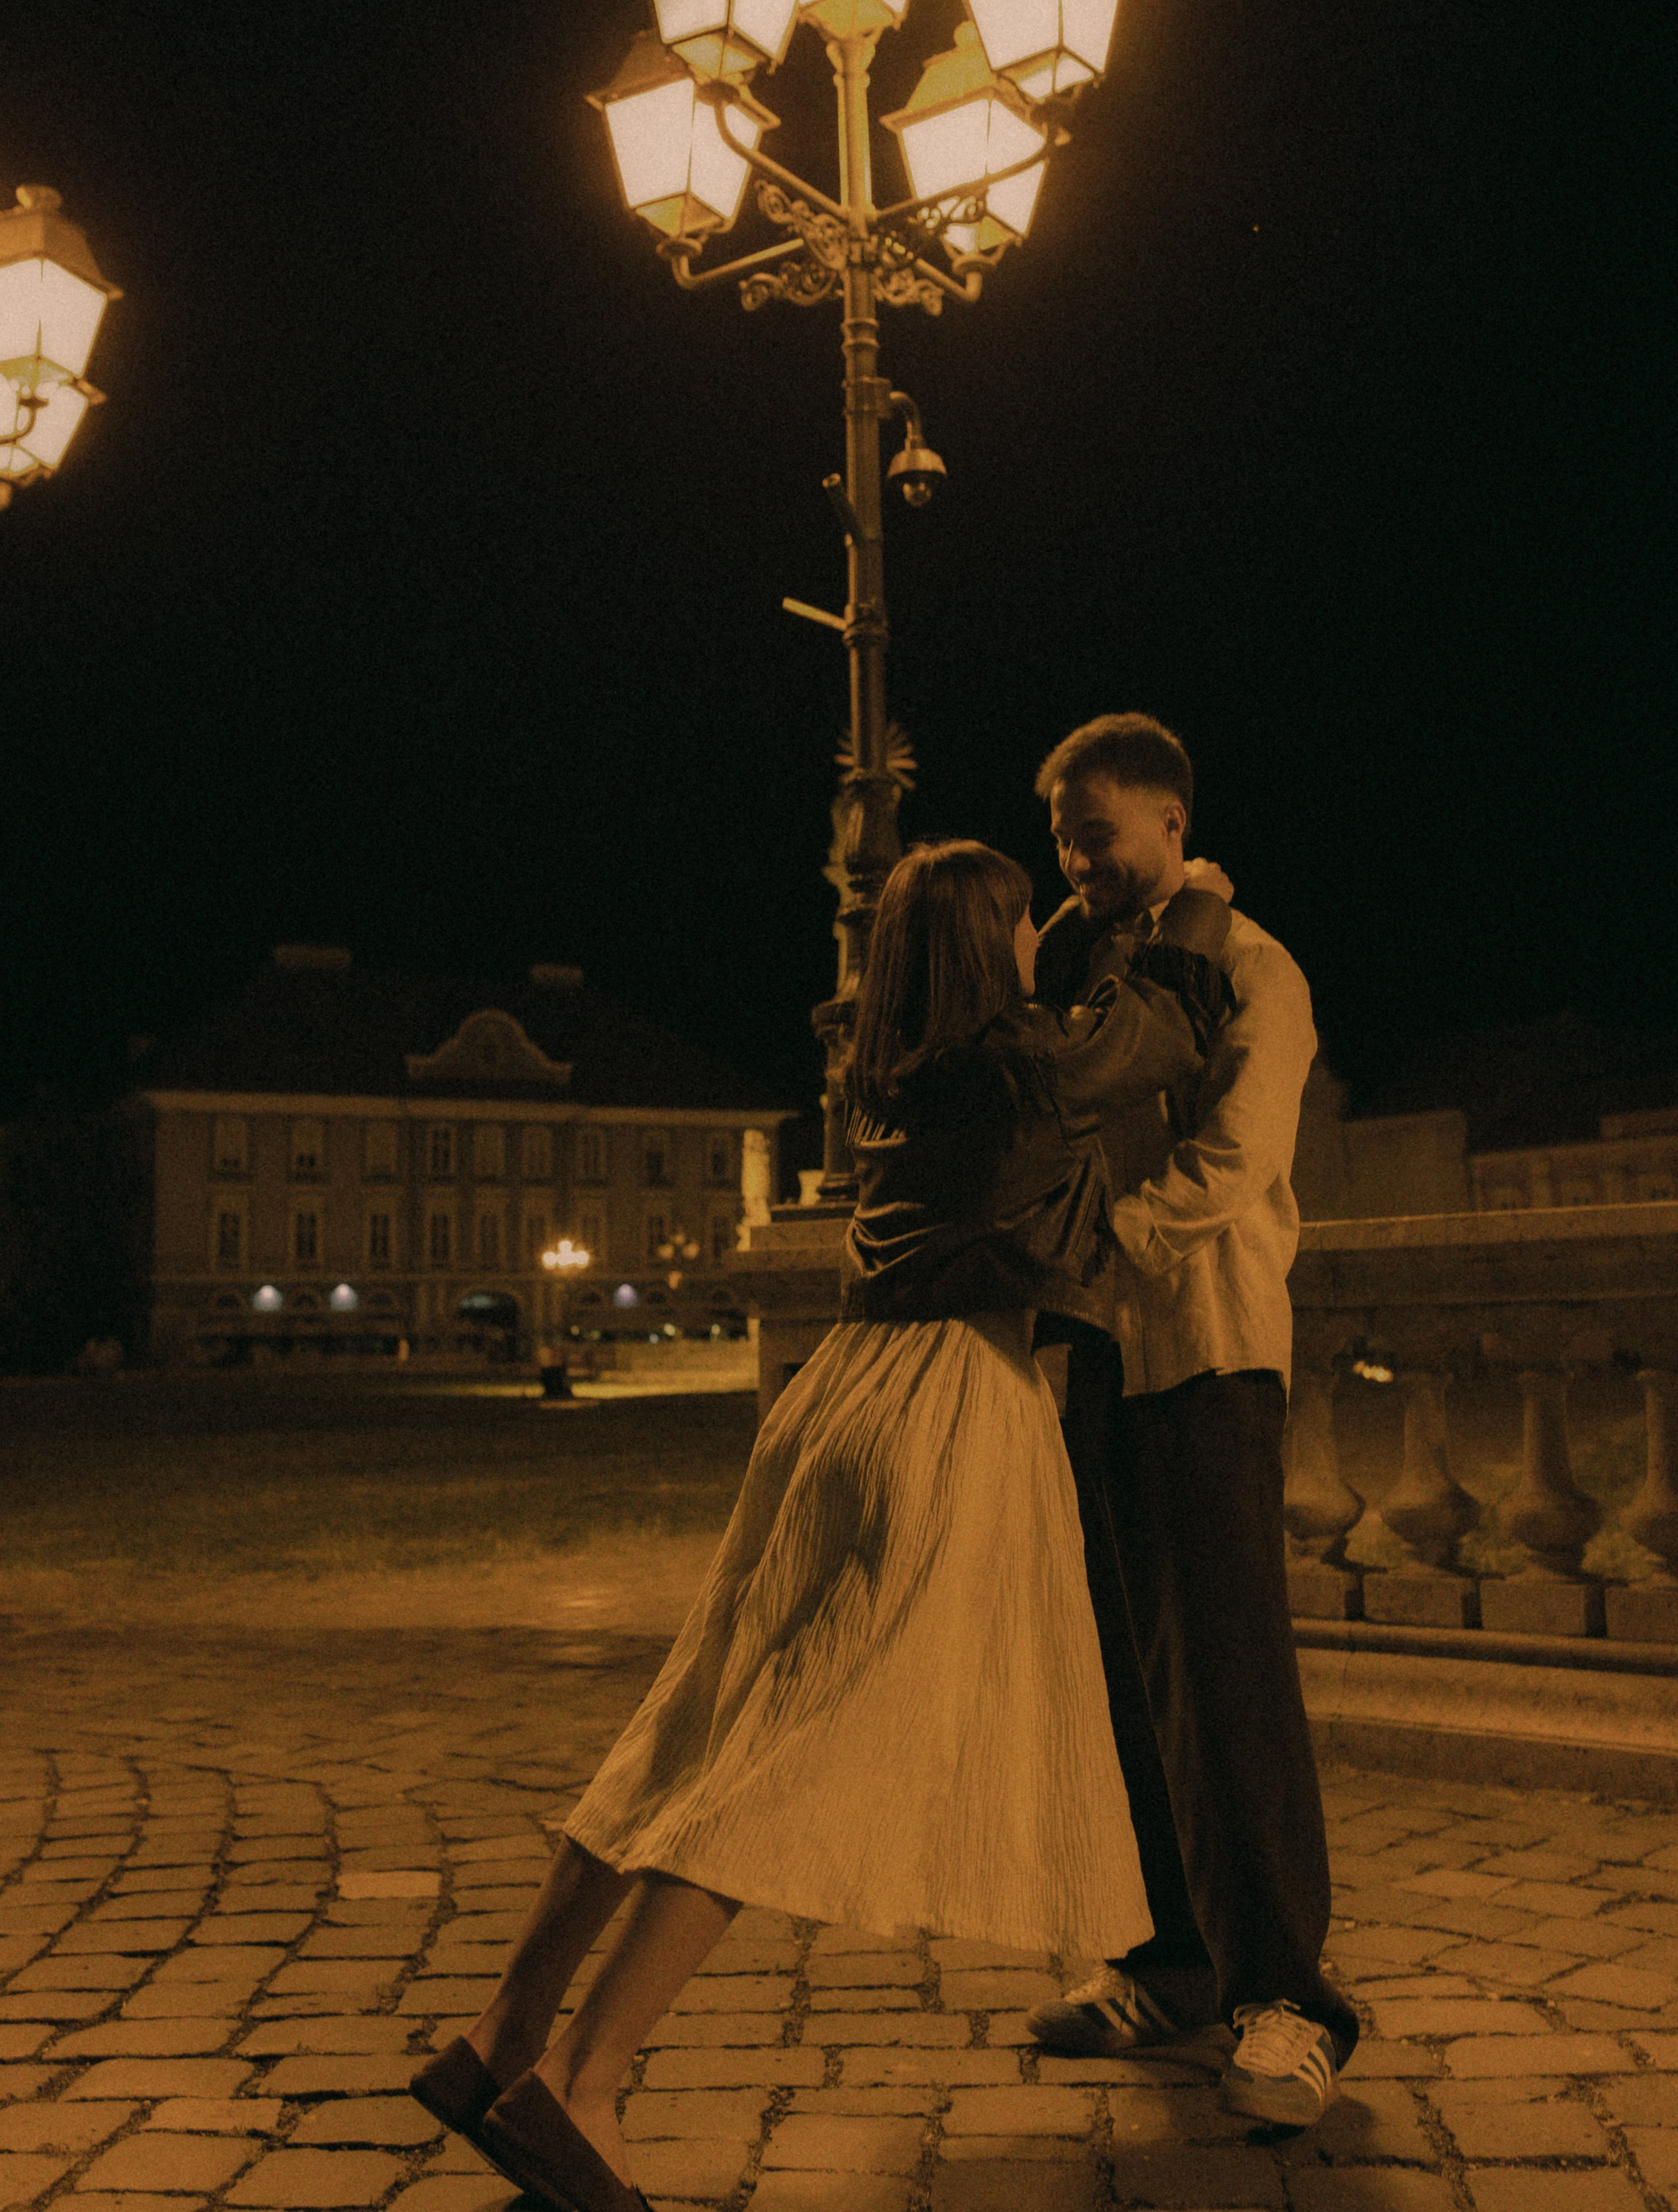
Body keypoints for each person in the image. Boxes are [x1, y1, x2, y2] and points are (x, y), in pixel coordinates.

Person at [408, 837, 1232, 2212]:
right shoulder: (1017, 1063)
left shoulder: (901, 1073)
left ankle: (501, 2033)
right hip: (943, 1407)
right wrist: (1192, 908)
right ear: (987, 943)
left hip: (836, 1401)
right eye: (1024, 921)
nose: (1038, 939)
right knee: (793, 1771)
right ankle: (587, 2081)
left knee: (698, 1723)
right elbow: (1133, 1044)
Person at [1024, 712, 1357, 2129]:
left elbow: (1234, 1167)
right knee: (1119, 1678)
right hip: (1101, 1359)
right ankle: (1162, 1961)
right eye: (1060, 838)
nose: (1076, 860)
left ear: (1166, 821)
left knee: (1225, 1682)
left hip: (1207, 1353)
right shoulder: (1090, 975)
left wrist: (1088, 1260)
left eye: (1093, 833)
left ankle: (1289, 1999)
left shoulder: (1251, 968)